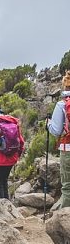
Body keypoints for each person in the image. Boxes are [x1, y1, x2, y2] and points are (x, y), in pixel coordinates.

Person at [47, 70, 70, 209]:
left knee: (68, 187)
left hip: (68, 149)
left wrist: (49, 123)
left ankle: (65, 222)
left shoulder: (62, 104)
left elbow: (56, 131)